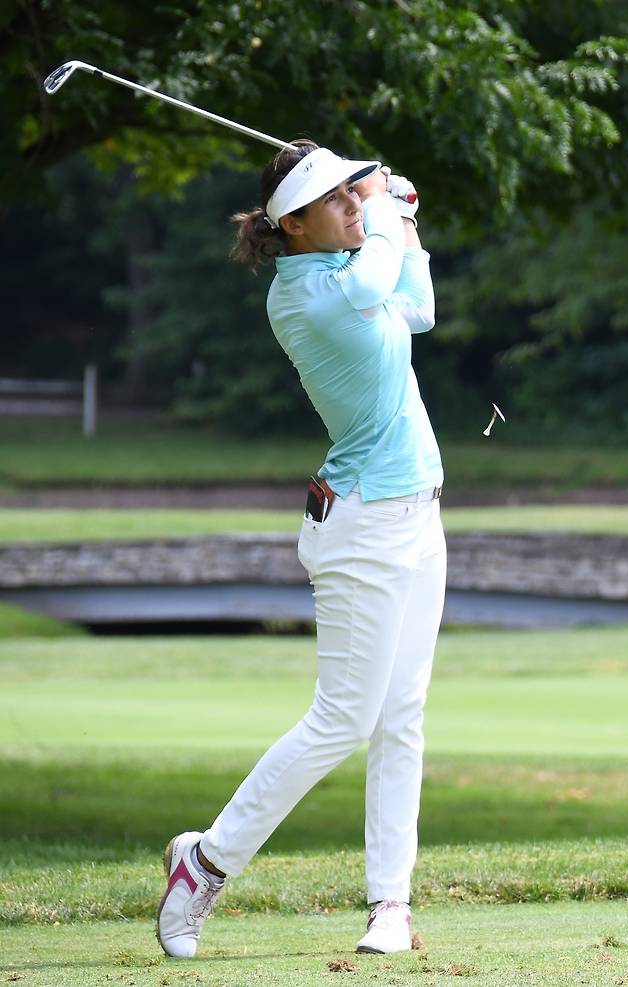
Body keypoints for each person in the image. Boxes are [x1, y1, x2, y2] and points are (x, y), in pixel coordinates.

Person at [156, 140, 447, 959]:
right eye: (338, 199)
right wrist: (387, 206)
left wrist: (403, 220)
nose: (354, 204)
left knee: (401, 717)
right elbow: (375, 284)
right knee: (343, 716)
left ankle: (390, 903)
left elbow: (418, 307)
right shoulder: (310, 296)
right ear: (294, 224)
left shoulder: (355, 267)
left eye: (355, 192)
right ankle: (206, 860)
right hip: (361, 526)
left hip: (418, 514)